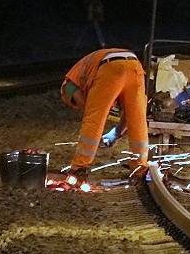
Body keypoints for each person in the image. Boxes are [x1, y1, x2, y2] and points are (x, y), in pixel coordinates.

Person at [60, 48, 150, 179]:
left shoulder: (70, 86)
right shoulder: (88, 72)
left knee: (92, 120)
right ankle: (140, 170)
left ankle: (79, 168)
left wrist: (93, 118)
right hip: (134, 65)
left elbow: (90, 113)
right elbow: (130, 113)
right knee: (138, 120)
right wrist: (118, 131)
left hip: (110, 68)